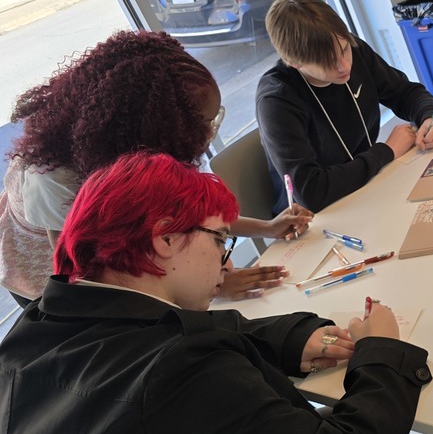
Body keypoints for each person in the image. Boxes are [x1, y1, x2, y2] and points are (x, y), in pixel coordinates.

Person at [0, 152, 433, 434]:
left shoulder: (41, 324)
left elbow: (160, 330)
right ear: (165, 238)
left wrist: (289, 338)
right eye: (220, 241)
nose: (225, 264)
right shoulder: (177, 377)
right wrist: (385, 352)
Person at [0, 30, 311, 309]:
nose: (207, 135)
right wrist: (211, 283)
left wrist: (266, 227)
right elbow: (82, 283)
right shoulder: (55, 180)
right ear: (153, 130)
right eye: (201, 125)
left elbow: (180, 215)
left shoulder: (127, 151)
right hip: (46, 280)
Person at [257, 0, 433, 213]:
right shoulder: (276, 101)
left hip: (367, 186)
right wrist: (386, 151)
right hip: (319, 216)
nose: (344, 67)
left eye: (344, 49)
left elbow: (405, 92)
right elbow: (311, 192)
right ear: (294, 63)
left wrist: (431, 117)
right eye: (327, 61)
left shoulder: (355, 51)